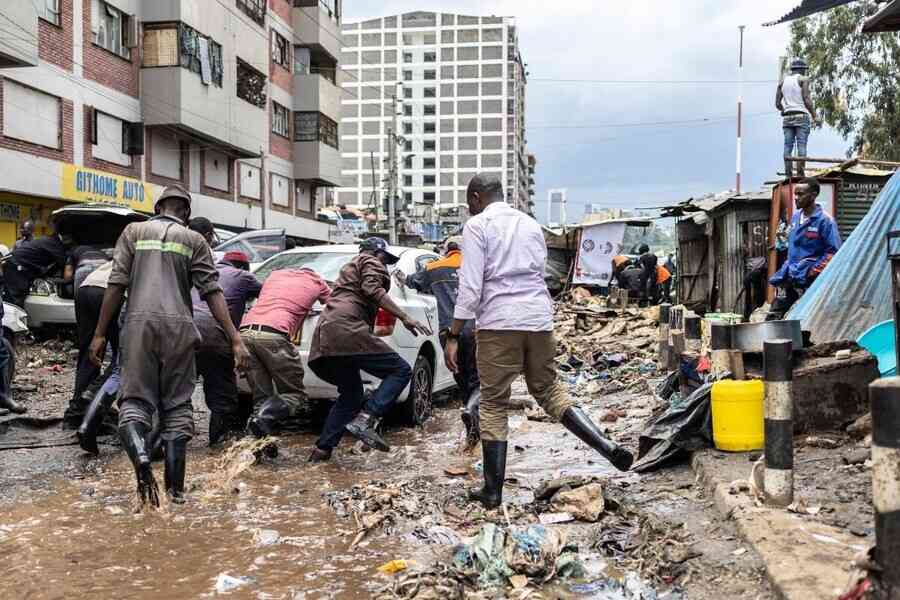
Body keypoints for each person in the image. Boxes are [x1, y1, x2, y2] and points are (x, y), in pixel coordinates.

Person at [444, 173, 633, 510]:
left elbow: (471, 288)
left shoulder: (477, 226)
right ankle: (605, 446)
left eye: (468, 201)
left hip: (499, 322)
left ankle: (491, 492)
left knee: (493, 403)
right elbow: (541, 273)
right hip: (538, 319)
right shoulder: (530, 224)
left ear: (475, 198)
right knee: (549, 390)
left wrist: (454, 334)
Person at [89, 184, 250, 508]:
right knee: (177, 409)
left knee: (134, 403)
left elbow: (116, 284)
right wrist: (235, 339)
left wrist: (99, 333)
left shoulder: (133, 232)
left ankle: (142, 458)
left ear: (158, 206)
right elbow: (212, 293)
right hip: (180, 328)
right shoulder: (195, 240)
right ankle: (175, 493)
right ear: (186, 213)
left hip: (138, 325)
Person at [307, 237, 431, 462]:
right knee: (401, 370)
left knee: (352, 394)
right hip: (348, 330)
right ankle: (367, 418)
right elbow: (372, 288)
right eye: (386, 262)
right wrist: (404, 317)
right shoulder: (370, 261)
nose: (385, 267)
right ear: (379, 254)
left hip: (324, 338)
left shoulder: (346, 271)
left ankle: (322, 450)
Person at [395, 236, 481, 443]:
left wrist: (400, 277)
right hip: (477, 330)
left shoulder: (434, 267)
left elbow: (412, 281)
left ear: (446, 250)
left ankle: (470, 416)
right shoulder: (476, 267)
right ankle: (473, 413)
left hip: (449, 333)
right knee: (478, 378)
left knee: (460, 377)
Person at [239, 265, 330, 456]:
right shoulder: (317, 282)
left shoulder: (274, 275)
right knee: (294, 395)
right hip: (274, 335)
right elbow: (334, 305)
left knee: (261, 398)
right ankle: (263, 421)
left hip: (245, 333)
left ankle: (261, 451)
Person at [192, 251, 262, 445]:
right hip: (213, 334)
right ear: (242, 267)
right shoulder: (242, 276)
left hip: (180, 331)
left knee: (176, 393)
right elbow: (270, 293)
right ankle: (217, 448)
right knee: (222, 395)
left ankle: (157, 445)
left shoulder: (200, 272)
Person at [769, 177, 841, 317]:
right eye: (795, 194)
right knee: (775, 316)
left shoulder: (825, 221)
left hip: (811, 282)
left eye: (800, 194)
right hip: (791, 277)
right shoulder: (795, 218)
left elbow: (833, 253)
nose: (796, 198)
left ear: (813, 195)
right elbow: (793, 247)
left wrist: (812, 272)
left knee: (807, 318)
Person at [63, 260, 120, 429]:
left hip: (86, 287)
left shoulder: (129, 247)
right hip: (111, 292)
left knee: (89, 353)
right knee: (124, 359)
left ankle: (75, 414)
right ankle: (94, 394)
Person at [2, 227, 69, 307]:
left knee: (16, 298)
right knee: (15, 300)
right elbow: (63, 262)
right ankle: (13, 317)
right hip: (17, 268)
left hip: (16, 266)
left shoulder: (48, 240)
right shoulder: (54, 244)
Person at [777, 58, 818, 178]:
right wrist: (814, 116)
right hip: (801, 116)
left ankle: (788, 175)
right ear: (801, 69)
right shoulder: (803, 79)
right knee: (801, 145)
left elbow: (778, 104)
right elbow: (806, 99)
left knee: (787, 146)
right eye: (804, 70)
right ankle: (800, 174)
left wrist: (784, 110)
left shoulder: (782, 81)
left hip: (788, 117)